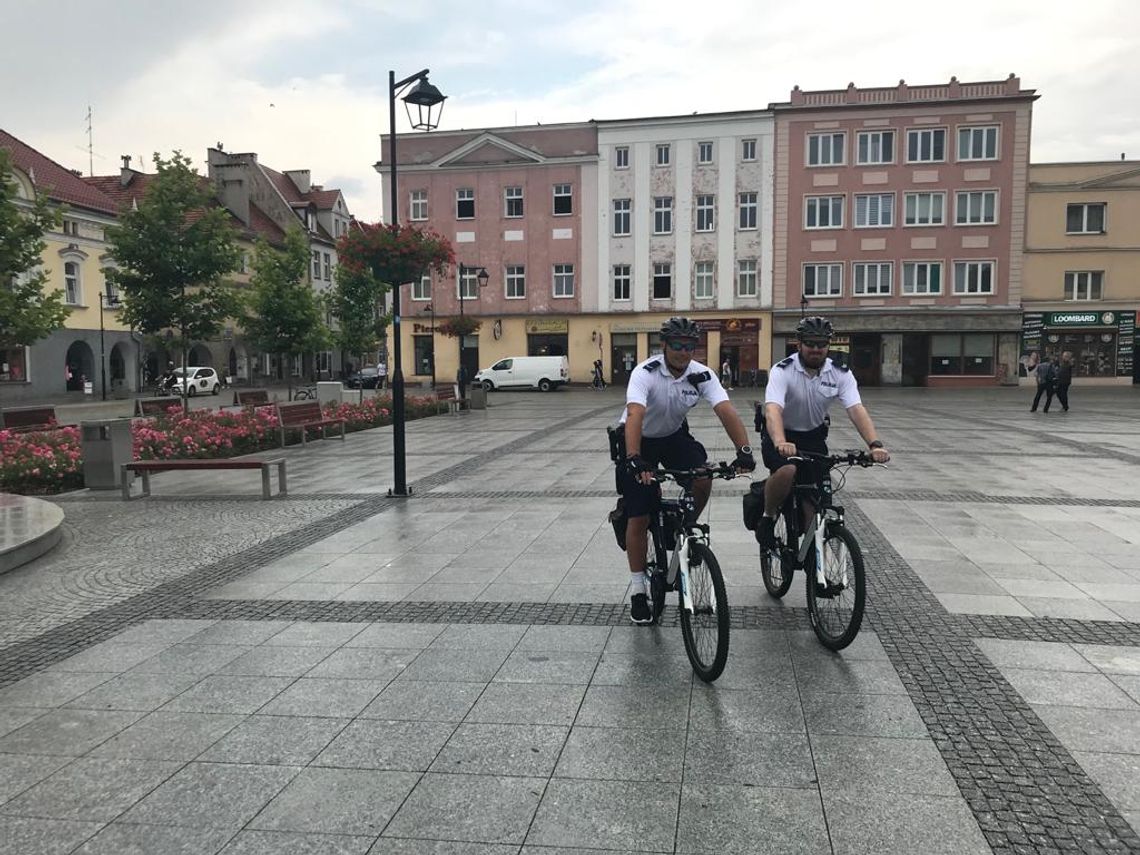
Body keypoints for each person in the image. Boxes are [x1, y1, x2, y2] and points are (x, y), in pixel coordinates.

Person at [617, 317, 756, 625]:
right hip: (637, 439)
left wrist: (743, 450)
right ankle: (639, 591)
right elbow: (635, 415)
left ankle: (685, 527)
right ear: (664, 345)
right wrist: (635, 458)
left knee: (703, 476)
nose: (683, 352)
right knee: (640, 511)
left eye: (689, 346)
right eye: (676, 345)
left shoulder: (701, 374)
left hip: (673, 437)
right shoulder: (646, 373)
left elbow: (725, 410)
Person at [756, 316, 890, 549]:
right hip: (781, 434)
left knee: (815, 501)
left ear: (829, 344)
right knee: (787, 470)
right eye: (810, 343)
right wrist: (780, 441)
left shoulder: (840, 373)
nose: (816, 349)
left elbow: (856, 409)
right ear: (799, 344)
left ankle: (814, 560)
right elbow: (773, 410)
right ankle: (768, 516)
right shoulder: (782, 370)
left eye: (821, 344)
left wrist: (874, 444)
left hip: (813, 437)